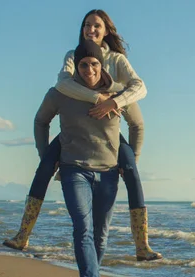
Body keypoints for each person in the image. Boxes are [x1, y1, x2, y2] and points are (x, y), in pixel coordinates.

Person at [2, 9, 161, 261]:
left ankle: (142, 245)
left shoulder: (117, 60)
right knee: (45, 165)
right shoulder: (72, 55)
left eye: (97, 25)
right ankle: (23, 234)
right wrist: (97, 98)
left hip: (109, 135)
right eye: (87, 25)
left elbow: (140, 87)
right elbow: (63, 84)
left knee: (131, 168)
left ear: (106, 30)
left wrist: (115, 103)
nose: (91, 29)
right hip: (75, 131)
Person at [35, 40, 137, 277]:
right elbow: (40, 121)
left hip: (110, 171)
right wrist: (46, 157)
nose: (89, 70)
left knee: (101, 234)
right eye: (83, 65)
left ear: (101, 65)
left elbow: (137, 125)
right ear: (76, 67)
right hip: (74, 169)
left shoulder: (118, 93)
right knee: (83, 229)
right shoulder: (61, 92)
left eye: (93, 64)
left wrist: (131, 160)